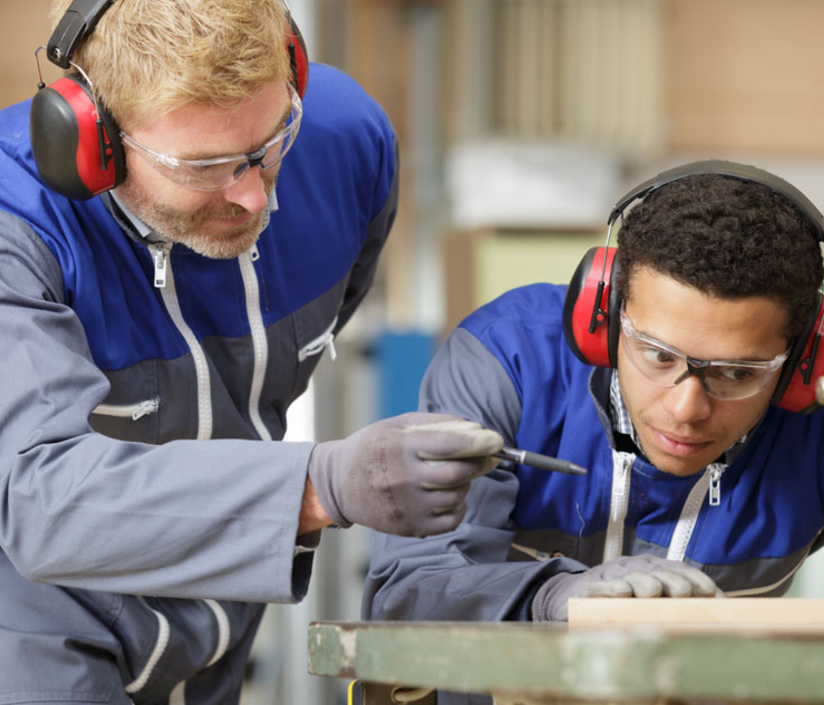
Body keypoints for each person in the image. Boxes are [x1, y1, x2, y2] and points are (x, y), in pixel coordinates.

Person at [0, 1, 503, 702]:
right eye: (202, 165)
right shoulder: (15, 226)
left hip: (218, 621)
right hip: (34, 635)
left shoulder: (345, 146)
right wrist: (317, 483)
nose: (250, 196)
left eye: (266, 144)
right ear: (94, 142)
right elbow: (41, 498)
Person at [364, 161, 824, 704]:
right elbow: (406, 596)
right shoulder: (509, 363)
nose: (687, 409)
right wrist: (546, 598)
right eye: (658, 356)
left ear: (802, 364)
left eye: (737, 373)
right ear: (604, 317)